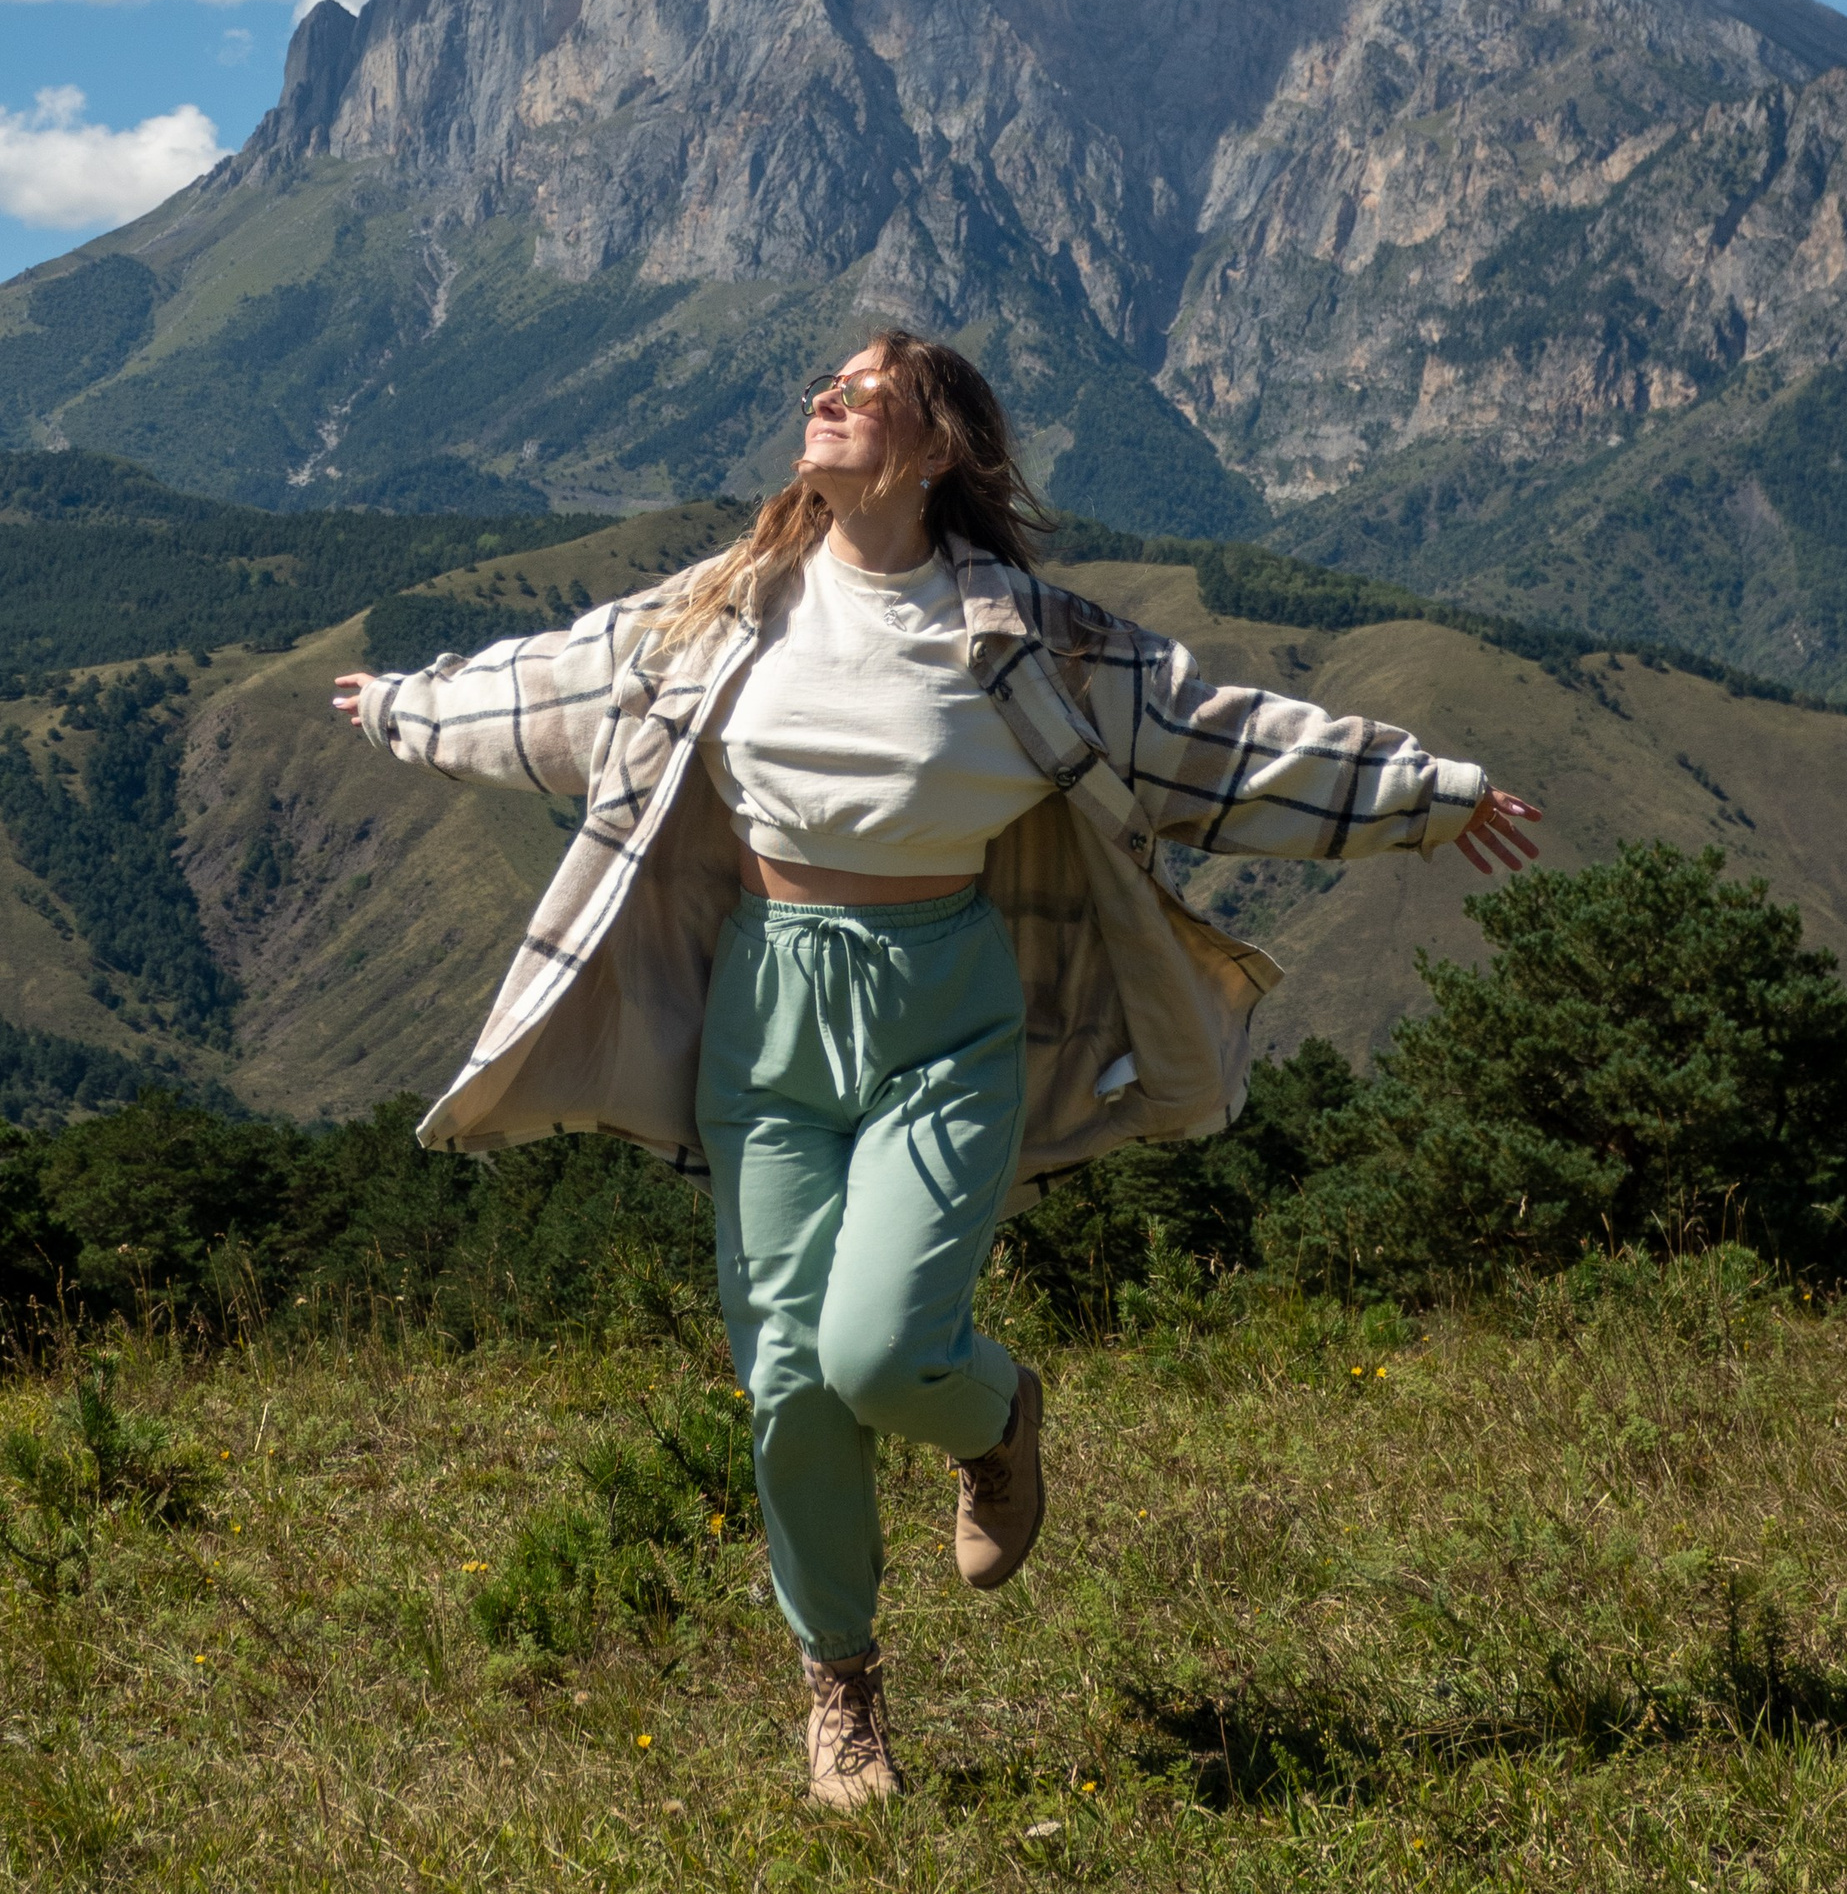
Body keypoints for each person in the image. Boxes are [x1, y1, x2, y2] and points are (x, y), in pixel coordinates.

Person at [332, 330, 1539, 1808]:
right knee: (788, 1381)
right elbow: (557, 686)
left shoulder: (1031, 636)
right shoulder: (724, 608)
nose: (823, 397)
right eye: (822, 384)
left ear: (938, 443)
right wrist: (401, 705)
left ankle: (997, 1413)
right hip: (766, 1007)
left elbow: (1212, 744)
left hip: (950, 1015)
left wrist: (1424, 791)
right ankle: (841, 1695)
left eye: (864, 386)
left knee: (882, 1352)